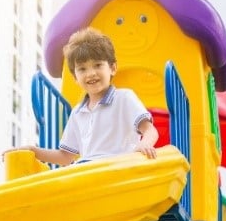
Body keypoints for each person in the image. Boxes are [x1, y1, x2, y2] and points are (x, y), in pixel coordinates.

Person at [13, 27, 159, 166]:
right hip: (88, 172)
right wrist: (34, 151)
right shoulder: (77, 113)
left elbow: (150, 130)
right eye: (82, 69)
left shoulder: (123, 98)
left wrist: (144, 144)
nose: (90, 73)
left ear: (112, 68)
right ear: (75, 77)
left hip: (117, 168)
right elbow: (65, 157)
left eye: (97, 65)